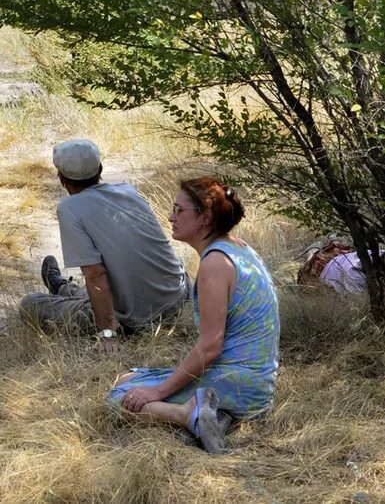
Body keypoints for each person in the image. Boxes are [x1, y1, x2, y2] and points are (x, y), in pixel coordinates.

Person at [108, 177, 279, 454]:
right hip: (254, 381)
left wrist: (159, 392)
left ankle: (188, 415)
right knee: (127, 378)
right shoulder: (237, 247)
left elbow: (211, 346)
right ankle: (216, 416)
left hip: (242, 385)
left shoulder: (215, 264)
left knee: (118, 398)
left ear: (205, 217)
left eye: (179, 210)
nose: (170, 217)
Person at [19, 139, 187, 351]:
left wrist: (108, 334)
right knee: (103, 289)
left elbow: (95, 275)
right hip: (177, 299)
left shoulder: (69, 208)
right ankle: (61, 287)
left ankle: (62, 289)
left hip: (134, 319)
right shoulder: (128, 191)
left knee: (30, 304)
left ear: (61, 178)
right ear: (100, 169)